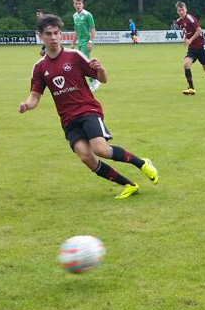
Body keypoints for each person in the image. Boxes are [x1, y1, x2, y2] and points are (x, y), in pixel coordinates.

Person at [19, 14, 159, 199]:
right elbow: (35, 96)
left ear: (61, 34)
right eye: (48, 34)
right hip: (68, 119)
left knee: (101, 149)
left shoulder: (74, 56)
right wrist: (27, 105)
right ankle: (129, 185)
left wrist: (100, 69)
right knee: (86, 157)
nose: (53, 37)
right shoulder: (39, 67)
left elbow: (103, 79)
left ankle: (141, 163)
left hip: (87, 109)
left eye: (56, 33)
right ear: (40, 36)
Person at [70, 0, 100, 92]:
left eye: (79, 3)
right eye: (76, 3)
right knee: (83, 62)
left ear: (82, 4)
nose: (78, 5)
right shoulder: (74, 16)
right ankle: (89, 81)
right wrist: (73, 43)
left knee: (83, 62)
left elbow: (93, 29)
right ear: (74, 5)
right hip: (80, 42)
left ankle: (95, 80)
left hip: (87, 40)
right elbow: (76, 31)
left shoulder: (87, 15)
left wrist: (90, 42)